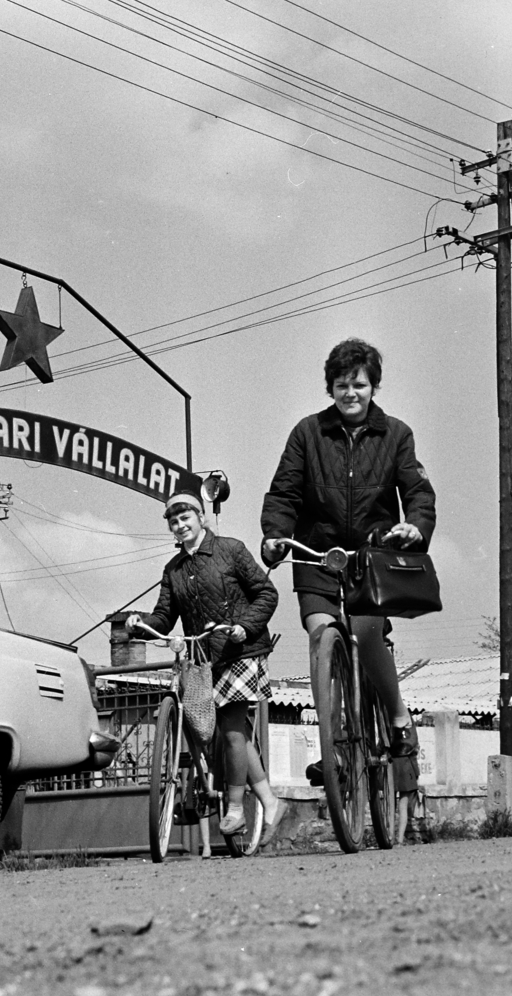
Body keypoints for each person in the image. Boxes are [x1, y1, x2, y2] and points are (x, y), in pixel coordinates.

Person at [259, 338, 436, 803]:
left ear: (373, 386)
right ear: (330, 387)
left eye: (359, 383)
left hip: (372, 564)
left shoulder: (396, 434)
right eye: (341, 384)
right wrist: (274, 534)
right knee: (322, 638)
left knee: (364, 631)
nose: (350, 392)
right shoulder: (307, 432)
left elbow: (418, 492)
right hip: (316, 557)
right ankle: (334, 748)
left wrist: (415, 527)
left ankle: (398, 717)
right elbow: (283, 494)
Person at [128, 475, 283, 839]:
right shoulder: (174, 570)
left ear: (201, 517)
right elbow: (165, 616)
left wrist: (244, 626)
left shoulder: (231, 549)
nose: (180, 525)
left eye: (186, 518)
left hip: (241, 649)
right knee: (233, 736)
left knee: (230, 730)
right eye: (173, 521)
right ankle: (269, 799)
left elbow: (266, 593)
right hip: (206, 659)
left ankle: (233, 810)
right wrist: (140, 624)